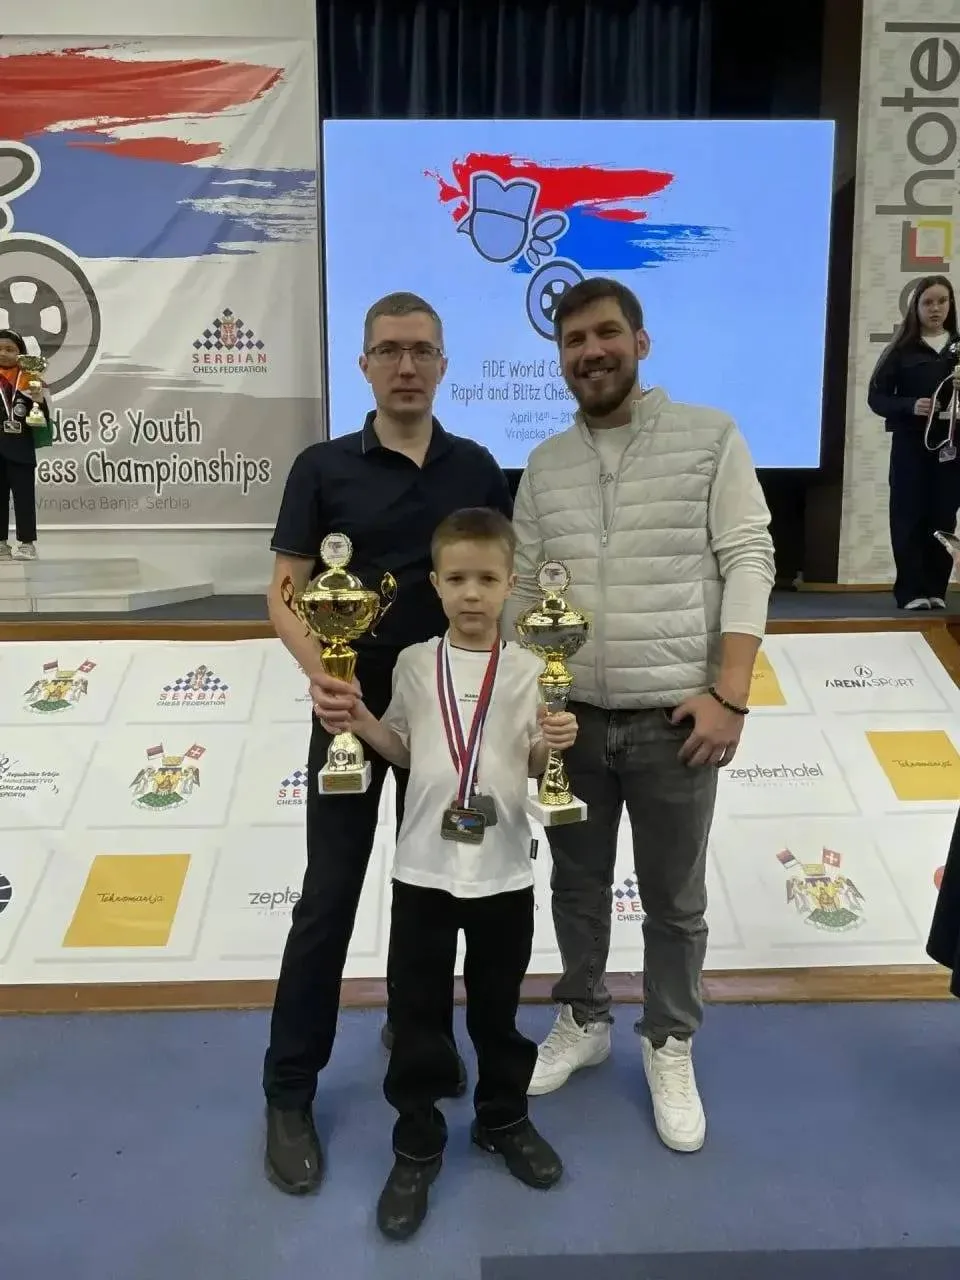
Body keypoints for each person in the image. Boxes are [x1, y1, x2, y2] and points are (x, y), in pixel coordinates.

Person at [504, 276, 775, 1154]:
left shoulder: (710, 436)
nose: (591, 352)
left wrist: (730, 693)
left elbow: (749, 557)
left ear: (641, 342)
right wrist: (526, 705)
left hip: (675, 721)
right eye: (573, 341)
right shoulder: (545, 464)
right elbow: (520, 594)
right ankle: (584, 1019)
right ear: (559, 357)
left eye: (606, 334)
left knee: (675, 902)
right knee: (576, 888)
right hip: (572, 721)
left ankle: (668, 1039)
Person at [263, 292, 513, 1195]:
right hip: (347, 709)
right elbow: (283, 591)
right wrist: (323, 675)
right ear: (364, 364)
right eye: (389, 351)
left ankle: (419, 1041)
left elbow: (497, 587)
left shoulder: (477, 467)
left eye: (422, 351)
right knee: (327, 899)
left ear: (443, 364)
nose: (406, 366)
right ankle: (288, 1091)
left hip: (446, 715)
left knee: (435, 897)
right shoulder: (321, 467)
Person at [347, 506, 572, 1240]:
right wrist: (358, 722)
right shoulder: (416, 664)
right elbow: (405, 749)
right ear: (437, 584)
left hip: (503, 870)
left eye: (487, 579)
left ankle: (503, 1118)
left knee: (497, 1013)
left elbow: (535, 765)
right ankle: (416, 1142)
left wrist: (555, 740)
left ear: (511, 584)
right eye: (457, 579)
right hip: (423, 870)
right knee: (416, 1014)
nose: (472, 593)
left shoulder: (533, 667)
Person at [867, 274, 960, 610]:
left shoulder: (957, 348)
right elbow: (877, 398)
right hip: (910, 446)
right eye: (928, 302)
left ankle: (936, 589)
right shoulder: (901, 350)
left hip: (951, 447)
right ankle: (910, 591)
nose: (935, 309)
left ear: (951, 305)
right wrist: (910, 405)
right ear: (916, 307)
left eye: (942, 301)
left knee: (943, 516)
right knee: (908, 516)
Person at [0, 328, 52, 561]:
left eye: (10, 349)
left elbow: (42, 416)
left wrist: (38, 399)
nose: (3, 353)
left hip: (21, 449)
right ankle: (1, 544)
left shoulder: (30, 380)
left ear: (21, 353)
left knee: (24, 499)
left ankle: (27, 543)